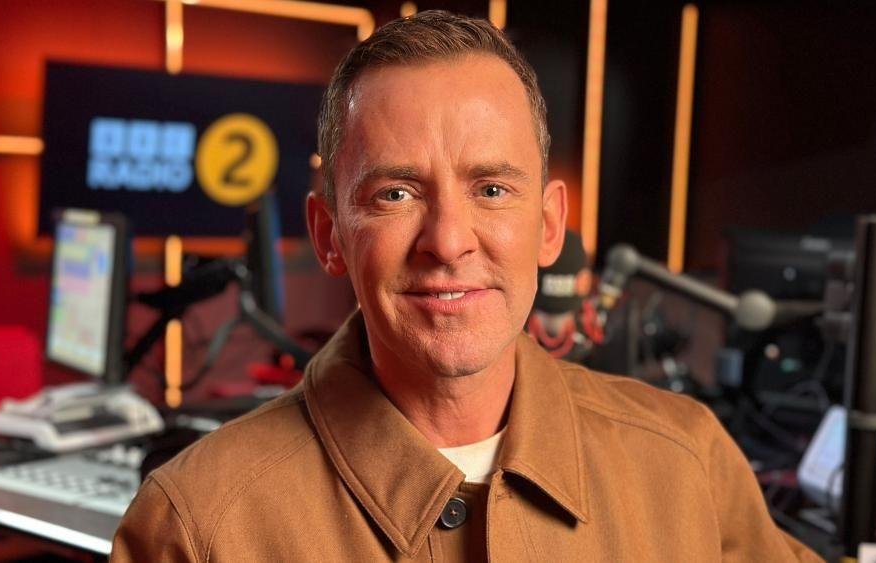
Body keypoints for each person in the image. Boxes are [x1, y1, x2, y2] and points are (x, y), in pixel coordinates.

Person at [112, 11, 822, 561]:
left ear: (550, 227)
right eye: (395, 194)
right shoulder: (194, 526)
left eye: (491, 189)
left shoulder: (689, 464)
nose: (449, 241)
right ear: (329, 235)